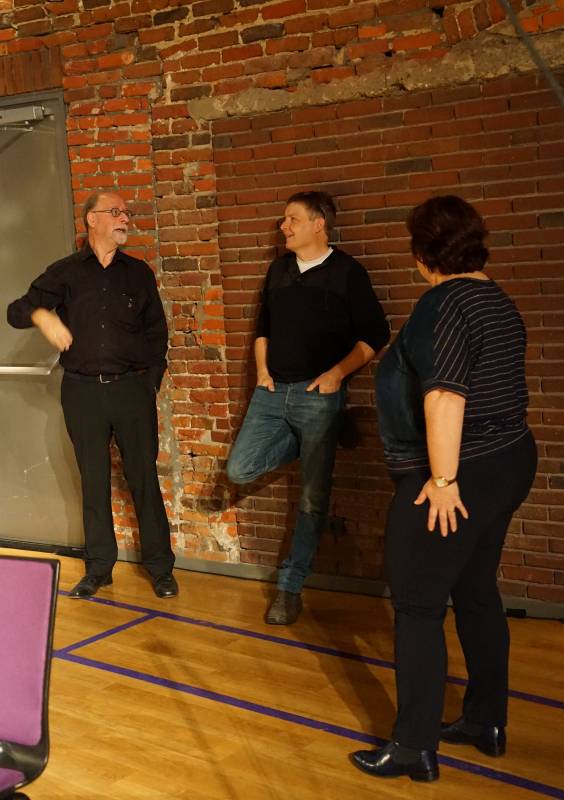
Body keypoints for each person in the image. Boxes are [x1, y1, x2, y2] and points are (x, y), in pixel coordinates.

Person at [350, 195, 537, 782]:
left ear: (422, 253)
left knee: (417, 604)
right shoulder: (496, 299)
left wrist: (442, 480)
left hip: (459, 471)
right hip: (508, 461)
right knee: (476, 589)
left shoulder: (444, 303)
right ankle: (485, 721)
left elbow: (445, 397)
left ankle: (413, 746)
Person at [227, 191, 390, 625]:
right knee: (239, 469)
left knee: (312, 498)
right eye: (284, 220)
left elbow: (376, 334)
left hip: (318, 395)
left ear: (320, 224)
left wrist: (338, 375)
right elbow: (263, 327)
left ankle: (289, 588)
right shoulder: (279, 269)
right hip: (271, 392)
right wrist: (262, 371)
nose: (284, 226)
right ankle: (320, 438)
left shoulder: (348, 272)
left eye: (292, 219)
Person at [7, 191, 178, 600]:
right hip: (83, 393)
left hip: (132, 390)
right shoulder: (66, 272)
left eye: (126, 213)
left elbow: (157, 334)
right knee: (94, 481)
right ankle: (99, 568)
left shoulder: (138, 273)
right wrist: (43, 315)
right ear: (92, 220)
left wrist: (149, 383)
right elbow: (17, 310)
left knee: (143, 478)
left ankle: (160, 568)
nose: (124, 219)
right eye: (115, 212)